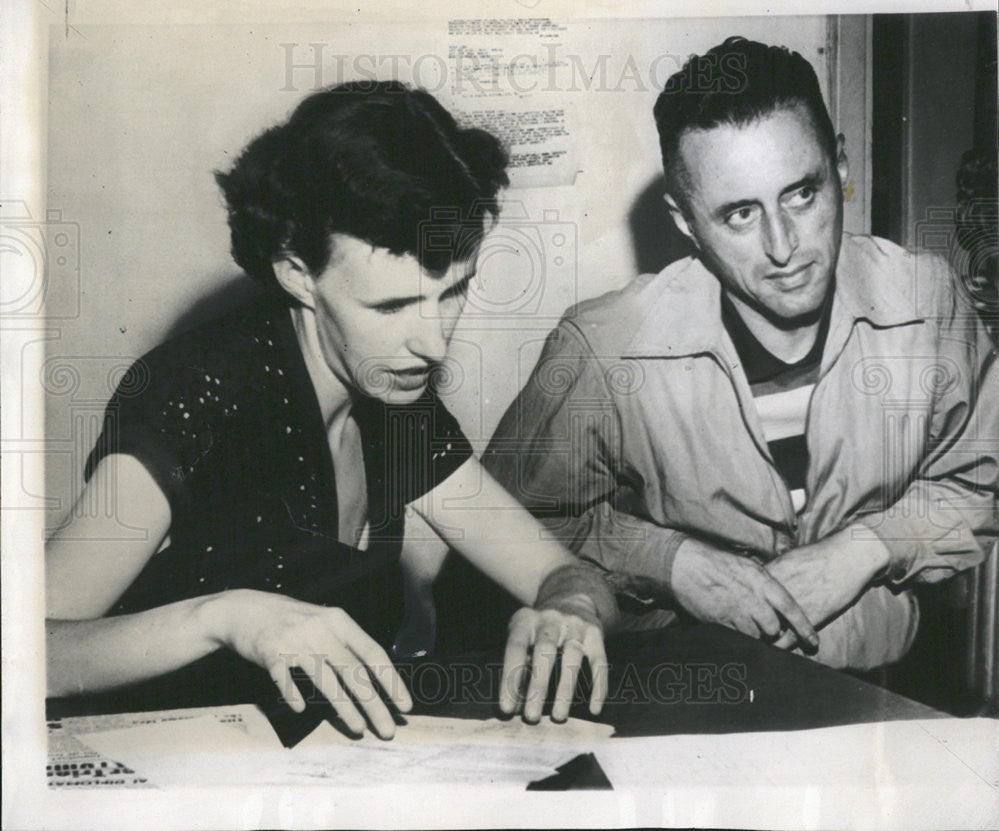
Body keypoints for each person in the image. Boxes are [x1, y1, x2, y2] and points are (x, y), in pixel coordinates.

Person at [45, 81, 619, 735]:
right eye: (392, 306)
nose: (432, 343)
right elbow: (26, 651)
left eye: (453, 291)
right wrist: (225, 616)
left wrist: (568, 605)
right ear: (296, 271)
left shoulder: (395, 399)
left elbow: (561, 571)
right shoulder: (197, 393)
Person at [482, 37, 998, 670]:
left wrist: (863, 549)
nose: (784, 248)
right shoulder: (604, 348)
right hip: (685, 698)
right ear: (685, 222)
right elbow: (507, 528)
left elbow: (980, 481)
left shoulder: (927, 301)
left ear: (840, 168)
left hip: (881, 697)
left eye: (801, 194)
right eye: (739, 215)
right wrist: (671, 563)